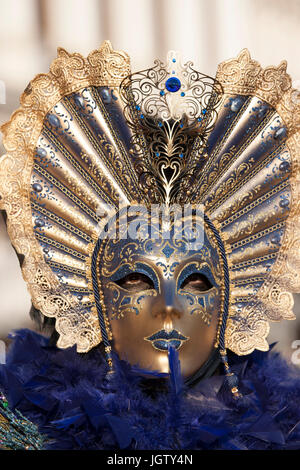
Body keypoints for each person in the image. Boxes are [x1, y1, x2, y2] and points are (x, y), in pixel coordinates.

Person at [0, 42, 300, 450]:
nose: (169, 304)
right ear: (84, 296)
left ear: (236, 299)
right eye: (137, 279)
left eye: (197, 281)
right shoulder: (18, 433)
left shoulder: (285, 428)